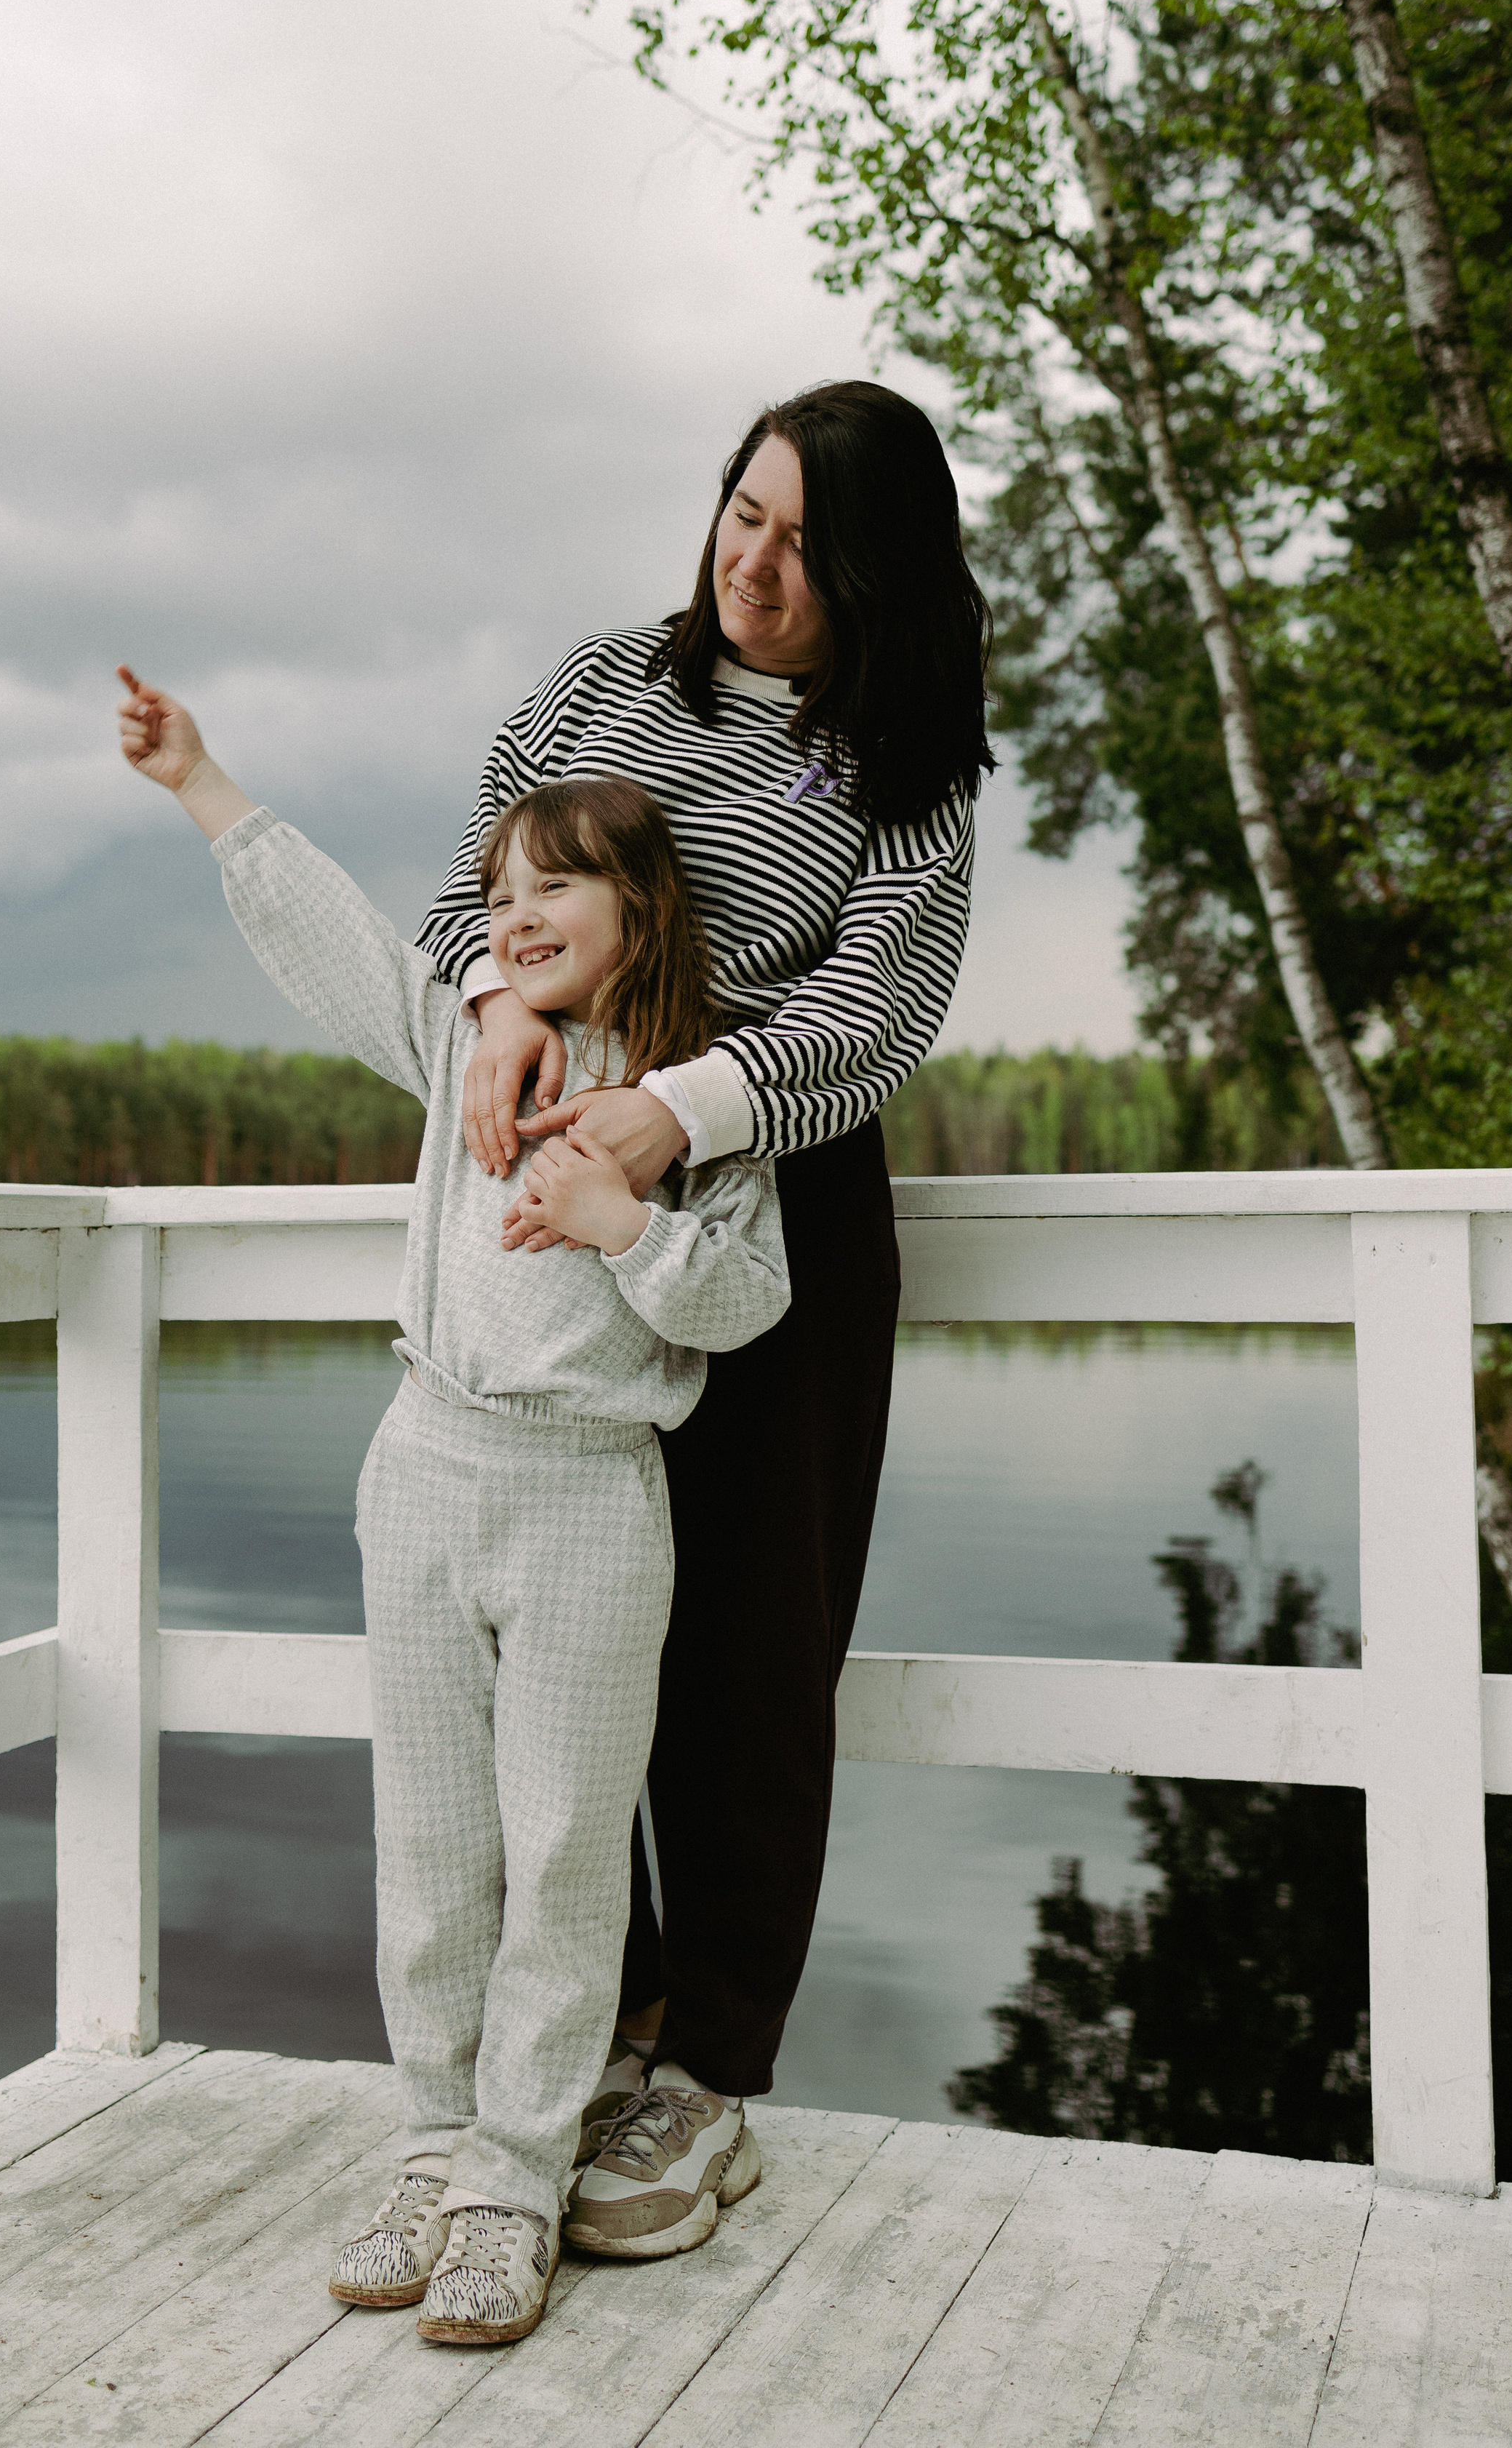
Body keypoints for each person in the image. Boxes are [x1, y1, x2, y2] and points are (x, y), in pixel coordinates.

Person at [116, 673, 789, 2344]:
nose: (515, 914)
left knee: (563, 1852)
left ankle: (516, 2177)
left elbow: (747, 1301)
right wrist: (203, 779)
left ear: (641, 908)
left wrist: (620, 1222)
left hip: (586, 1497)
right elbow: (334, 934)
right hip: (421, 1467)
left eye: (554, 884)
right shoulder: (463, 1042)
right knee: (429, 1847)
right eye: (497, 895)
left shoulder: (683, 1108)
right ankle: (433, 2141)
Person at [415, 379, 993, 2260]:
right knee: (572, 1641)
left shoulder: (902, 760)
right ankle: (599, 2017)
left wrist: (686, 1107)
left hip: (762, 1198)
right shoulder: (601, 684)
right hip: (551, 1194)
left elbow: (880, 1017)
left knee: (748, 1646)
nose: (758, 563)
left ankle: (709, 2074)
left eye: (811, 541)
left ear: (881, 568)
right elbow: (462, 891)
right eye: (745, 513)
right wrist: (497, 1009)